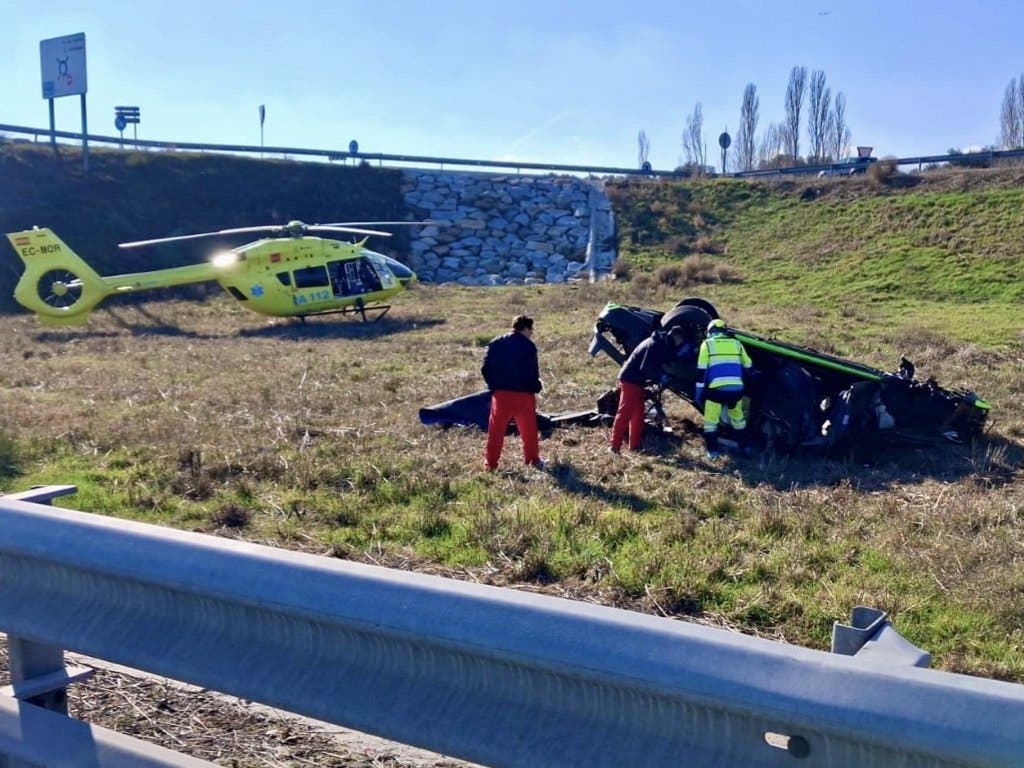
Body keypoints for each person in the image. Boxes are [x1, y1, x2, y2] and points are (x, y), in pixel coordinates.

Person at [481, 315, 544, 471]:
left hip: (500, 395)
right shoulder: (529, 346)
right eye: (531, 329)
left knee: (495, 431)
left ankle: (490, 464)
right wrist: (536, 387)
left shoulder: (495, 343)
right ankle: (532, 460)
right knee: (529, 431)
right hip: (523, 396)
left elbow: (485, 369)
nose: (532, 333)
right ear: (524, 328)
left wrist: (493, 386)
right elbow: (532, 373)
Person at [610, 326, 686, 454]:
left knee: (637, 415)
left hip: (638, 381)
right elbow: (645, 368)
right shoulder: (656, 344)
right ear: (676, 336)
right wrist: (661, 377)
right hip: (630, 380)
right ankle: (614, 447)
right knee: (625, 413)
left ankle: (634, 447)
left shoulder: (662, 342)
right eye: (681, 340)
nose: (681, 343)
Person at [695, 318, 753, 459]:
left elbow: (701, 370)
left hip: (716, 391)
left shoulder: (707, 344)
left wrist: (698, 392)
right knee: (738, 420)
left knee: (710, 422)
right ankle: (745, 449)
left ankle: (713, 452)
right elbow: (749, 366)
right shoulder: (737, 344)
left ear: (711, 331)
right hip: (736, 391)